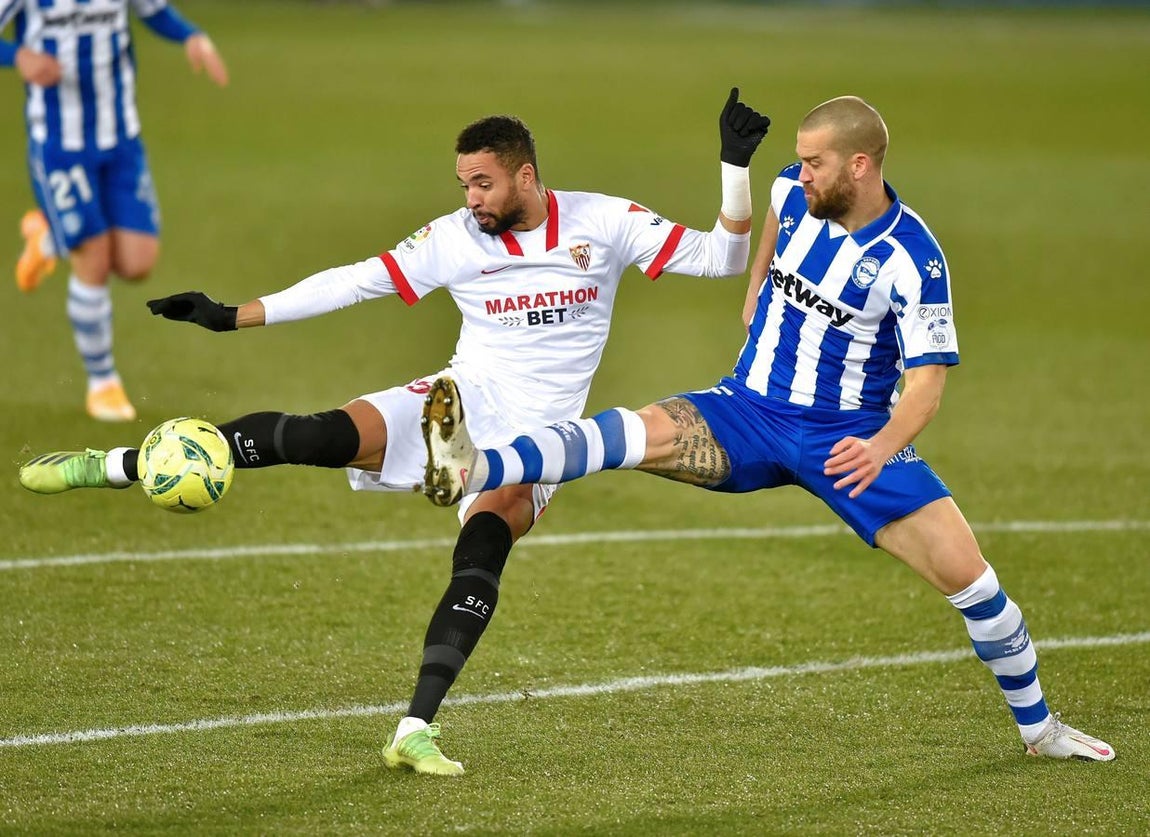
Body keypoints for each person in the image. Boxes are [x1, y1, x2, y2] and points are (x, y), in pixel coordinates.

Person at [18, 90, 774, 774]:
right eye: (463, 185)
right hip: (462, 395)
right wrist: (234, 314)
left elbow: (723, 257)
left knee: (482, 551)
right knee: (318, 435)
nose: (471, 199)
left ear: (525, 175)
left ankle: (414, 728)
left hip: (545, 435)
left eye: (483, 183)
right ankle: (113, 464)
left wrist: (733, 167)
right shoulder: (453, 237)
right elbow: (354, 279)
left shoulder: (603, 224)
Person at [419, 96, 1116, 763]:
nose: (798, 172)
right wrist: (756, 281)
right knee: (624, 432)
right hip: (745, 411)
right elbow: (777, 222)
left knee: (973, 580)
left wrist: (877, 448)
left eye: (814, 162)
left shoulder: (913, 258)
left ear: (860, 167)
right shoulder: (791, 191)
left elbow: (928, 384)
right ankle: (475, 468)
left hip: (849, 439)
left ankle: (1041, 727)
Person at [2, 0, 229, 421]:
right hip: (59, 145)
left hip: (122, 140)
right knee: (94, 255)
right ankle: (102, 383)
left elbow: (153, 11)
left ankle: (49, 235)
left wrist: (190, 35)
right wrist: (17, 55)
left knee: (137, 263)